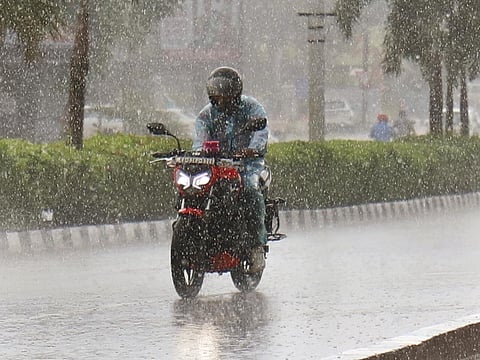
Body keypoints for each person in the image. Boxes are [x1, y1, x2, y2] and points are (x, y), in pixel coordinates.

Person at [192, 66, 268, 271]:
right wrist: (198, 153)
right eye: (216, 90)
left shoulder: (253, 109)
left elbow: (260, 135)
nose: (221, 95)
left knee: (251, 192)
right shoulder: (205, 115)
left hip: (246, 166)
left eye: (225, 90)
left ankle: (256, 246)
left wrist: (251, 150)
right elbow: (199, 140)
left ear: (236, 90)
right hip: (216, 166)